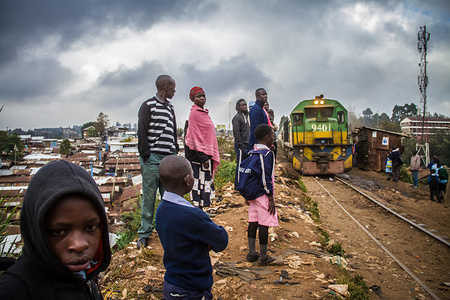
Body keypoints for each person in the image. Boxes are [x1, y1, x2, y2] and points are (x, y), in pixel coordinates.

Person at [0, 160, 111, 299]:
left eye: (90, 227)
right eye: (59, 232)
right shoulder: (14, 290)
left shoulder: (82, 275)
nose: (79, 245)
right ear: (36, 230)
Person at [155, 155, 228, 300]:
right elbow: (221, 241)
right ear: (187, 180)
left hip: (171, 284)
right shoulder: (194, 216)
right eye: (193, 174)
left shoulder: (161, 210)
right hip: (192, 288)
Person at [137, 75, 179, 249]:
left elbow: (173, 131)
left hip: (168, 159)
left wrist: (175, 151)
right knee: (149, 196)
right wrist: (146, 155)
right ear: (166, 87)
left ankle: (167, 229)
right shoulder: (148, 106)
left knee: (168, 196)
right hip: (152, 158)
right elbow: (142, 131)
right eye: (173, 88)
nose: (174, 91)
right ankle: (144, 233)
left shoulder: (170, 108)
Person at [242, 124, 278, 266]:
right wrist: (270, 197)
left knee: (253, 221)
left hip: (253, 195)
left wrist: (247, 195)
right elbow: (266, 177)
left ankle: (251, 253)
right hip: (263, 194)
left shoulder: (252, 153)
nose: (273, 138)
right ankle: (263, 256)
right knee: (264, 224)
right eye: (273, 136)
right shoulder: (267, 154)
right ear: (267, 137)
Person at [184, 86, 220, 209]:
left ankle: (203, 210)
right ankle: (198, 211)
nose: (202, 98)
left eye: (203, 96)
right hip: (198, 157)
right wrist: (203, 157)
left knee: (205, 183)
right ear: (193, 99)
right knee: (198, 184)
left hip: (205, 156)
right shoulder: (194, 114)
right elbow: (195, 137)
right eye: (198, 96)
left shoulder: (205, 114)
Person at [232, 98, 250, 189]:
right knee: (240, 165)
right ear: (238, 107)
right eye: (242, 105)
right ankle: (237, 185)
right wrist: (241, 146)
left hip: (248, 145)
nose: (245, 106)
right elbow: (236, 133)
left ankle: (244, 184)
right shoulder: (237, 118)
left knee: (246, 166)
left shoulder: (247, 117)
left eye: (245, 105)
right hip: (241, 146)